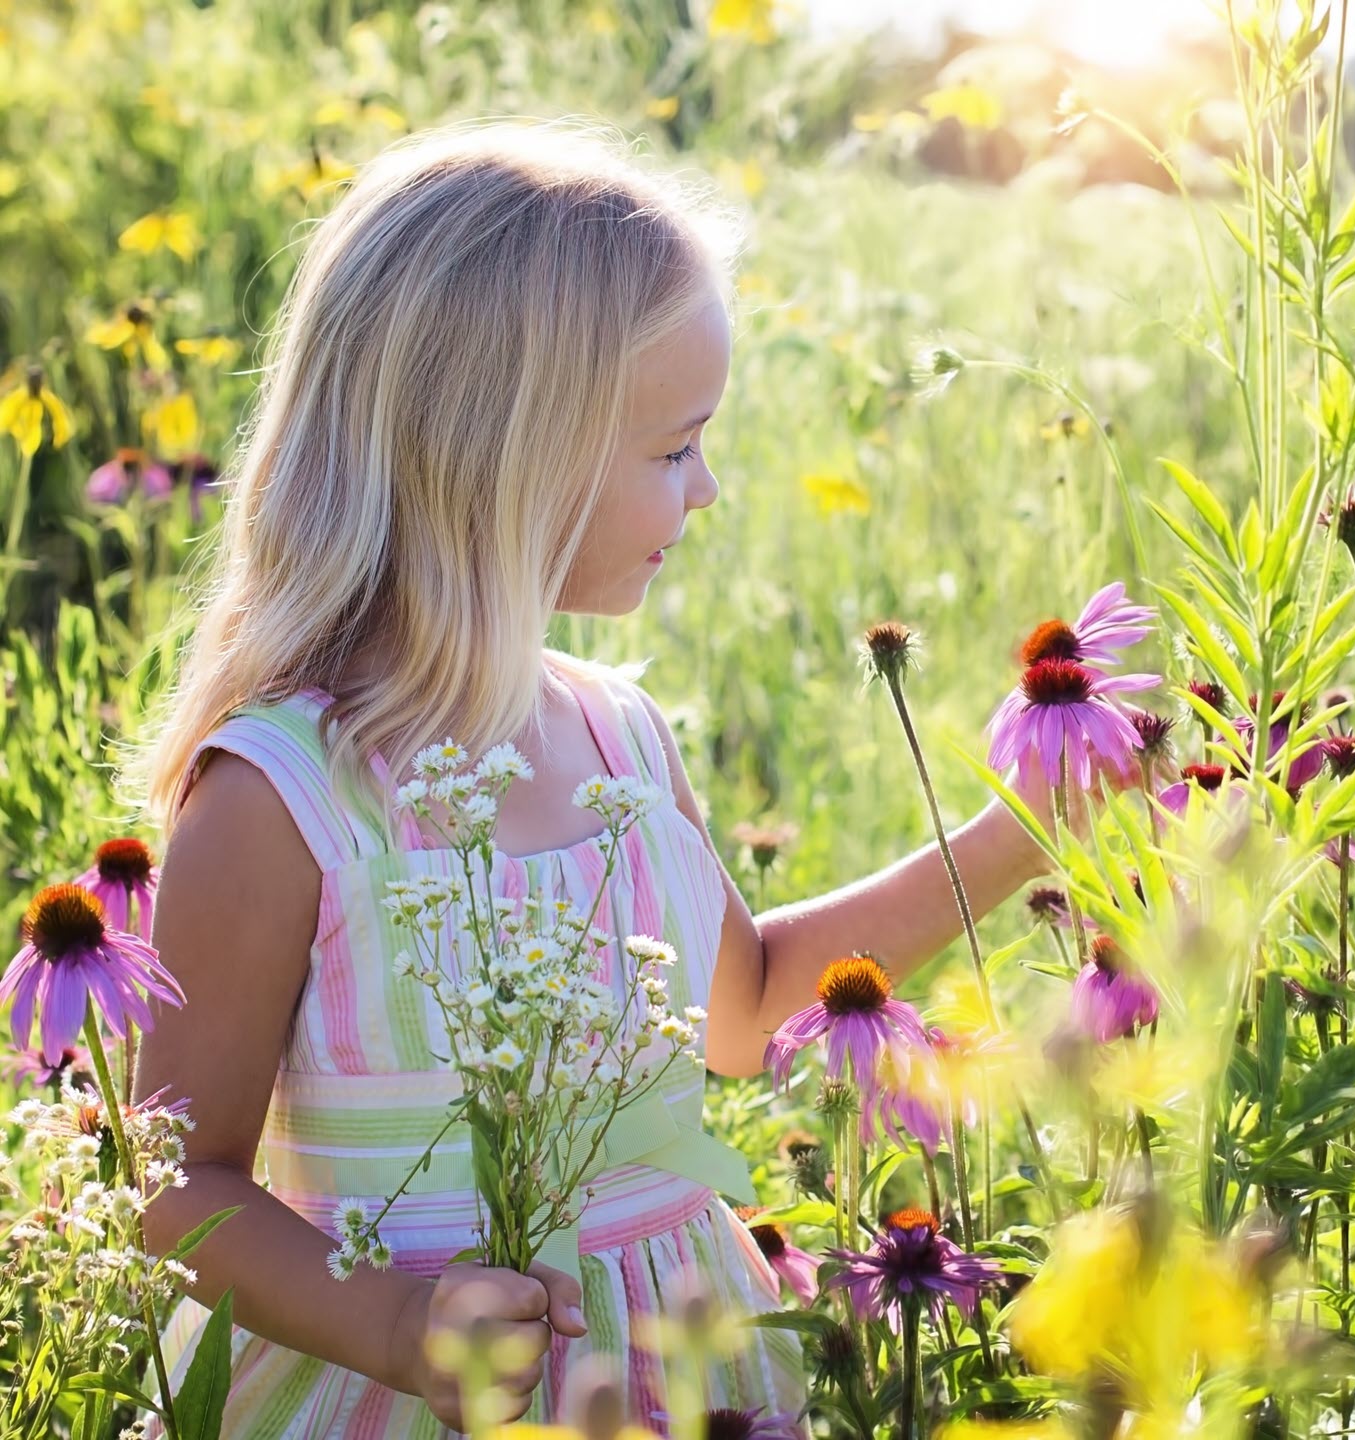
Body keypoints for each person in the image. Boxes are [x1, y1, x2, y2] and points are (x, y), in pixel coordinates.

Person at [121, 118, 1067, 1436]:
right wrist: (397, 1326)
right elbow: (176, 1185)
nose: (712, 486)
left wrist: (1020, 833)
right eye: (676, 448)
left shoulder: (623, 737)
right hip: (395, 1394)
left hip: (683, 1373)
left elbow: (741, 1013)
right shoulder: (284, 797)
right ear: (505, 464)